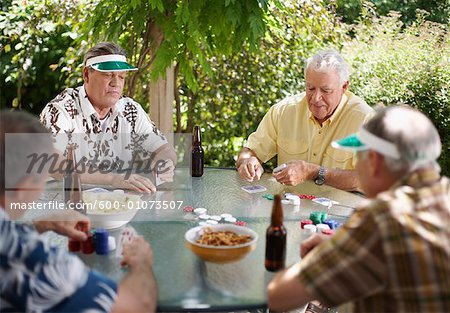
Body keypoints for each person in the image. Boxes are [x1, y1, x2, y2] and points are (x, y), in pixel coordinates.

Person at [267, 105, 450, 312]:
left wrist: (327, 256)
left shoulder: (382, 216)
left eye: (358, 159)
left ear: (373, 161)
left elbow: (279, 296)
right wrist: (345, 248)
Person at [0, 110, 157, 312]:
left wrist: (38, 225)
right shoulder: (41, 263)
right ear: (23, 188)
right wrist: (142, 262)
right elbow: (138, 306)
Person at [40, 42, 176, 193]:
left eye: (121, 76)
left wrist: (164, 163)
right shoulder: (61, 109)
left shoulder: (131, 111)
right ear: (86, 75)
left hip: (115, 205)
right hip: (60, 201)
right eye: (108, 75)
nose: (116, 83)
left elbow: (164, 149)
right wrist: (113, 179)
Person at [236, 50, 374, 191]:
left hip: (342, 211)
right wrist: (247, 161)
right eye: (311, 88)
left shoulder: (365, 120)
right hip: (289, 208)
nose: (315, 98)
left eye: (325, 90)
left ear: (344, 87)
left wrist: (313, 172)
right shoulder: (284, 111)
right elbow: (250, 151)